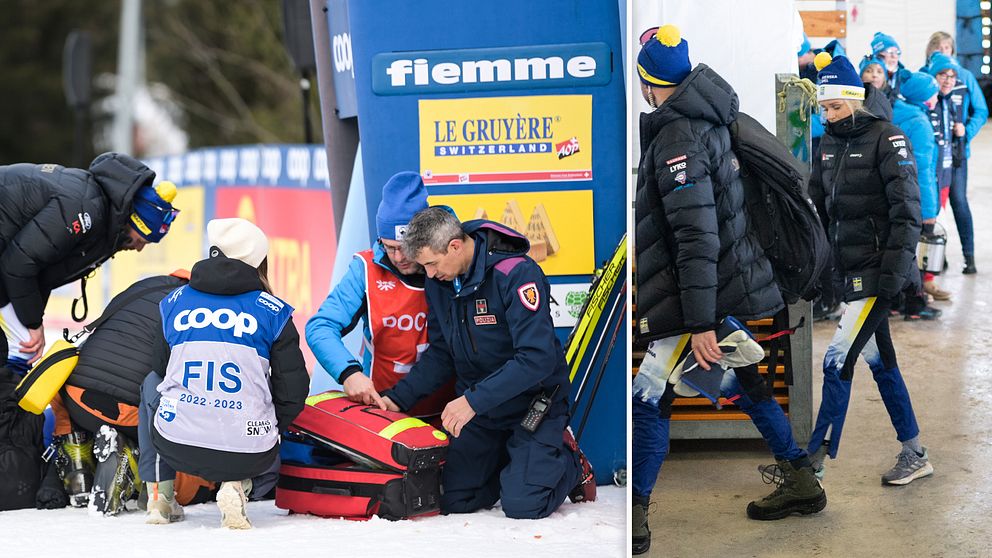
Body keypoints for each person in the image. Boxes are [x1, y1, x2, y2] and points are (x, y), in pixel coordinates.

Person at [631, 25, 825, 554]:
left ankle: (635, 519)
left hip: (698, 295)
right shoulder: (710, 119)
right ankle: (800, 478)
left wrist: (696, 323)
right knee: (744, 377)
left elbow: (696, 237)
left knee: (648, 401)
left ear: (649, 82)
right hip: (723, 288)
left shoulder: (676, 139)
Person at [371, 206, 595, 520]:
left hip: (532, 405)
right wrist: (398, 398)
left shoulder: (516, 273)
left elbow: (537, 359)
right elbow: (441, 353)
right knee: (453, 501)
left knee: (523, 505)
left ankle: (570, 463)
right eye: (425, 268)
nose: (431, 275)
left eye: (432, 265)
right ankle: (518, 465)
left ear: (454, 246)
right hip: (483, 410)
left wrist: (472, 402)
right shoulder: (440, 283)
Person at [0, 153, 178, 512]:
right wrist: (31, 322)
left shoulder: (103, 217)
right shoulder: (84, 208)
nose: (140, 246)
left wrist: (30, 319)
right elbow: (19, 264)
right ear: (132, 219)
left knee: (18, 355)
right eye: (141, 236)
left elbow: (40, 269)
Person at [806, 52, 931, 486]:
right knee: (881, 362)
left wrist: (894, 279)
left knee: (836, 359)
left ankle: (812, 464)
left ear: (855, 101)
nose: (829, 115)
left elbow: (907, 213)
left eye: (835, 106)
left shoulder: (888, 138)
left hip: (879, 274)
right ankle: (914, 452)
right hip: (850, 274)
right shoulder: (826, 144)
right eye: (823, 107)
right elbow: (818, 211)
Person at [138, 218, 309, 528]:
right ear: (259, 263)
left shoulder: (174, 302)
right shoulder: (274, 311)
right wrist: (267, 423)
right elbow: (294, 391)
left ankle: (160, 497)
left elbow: (161, 371)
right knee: (263, 426)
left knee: (153, 386)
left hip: (176, 442)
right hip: (249, 449)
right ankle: (236, 486)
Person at [306, 172, 452, 417]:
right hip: (384, 409)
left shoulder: (450, 266)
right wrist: (348, 373)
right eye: (389, 246)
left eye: (406, 247)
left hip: (447, 410)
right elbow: (320, 326)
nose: (398, 257)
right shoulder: (365, 268)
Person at [924, 35, 988, 274]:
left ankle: (968, 256)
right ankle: (934, 256)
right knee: (932, 205)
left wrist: (965, 131)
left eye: (947, 47)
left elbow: (981, 110)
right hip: (933, 157)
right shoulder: (924, 76)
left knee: (958, 201)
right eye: (937, 48)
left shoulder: (965, 77)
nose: (943, 51)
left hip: (958, 154)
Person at [891, 72, 943, 320]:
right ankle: (914, 305)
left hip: (894, 192)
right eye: (933, 93)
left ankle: (893, 302)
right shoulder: (920, 122)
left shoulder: (895, 112)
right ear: (924, 97)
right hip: (916, 196)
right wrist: (930, 211)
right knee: (915, 254)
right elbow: (923, 170)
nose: (937, 97)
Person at [871, 32, 910, 105]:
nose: (894, 56)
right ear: (879, 56)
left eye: (897, 52)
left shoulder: (906, 77)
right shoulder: (870, 78)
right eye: (890, 52)